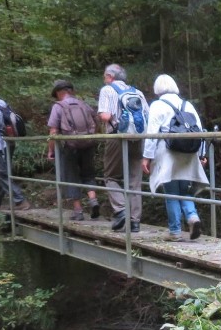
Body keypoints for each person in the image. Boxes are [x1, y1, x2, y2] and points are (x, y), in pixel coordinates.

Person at [141, 74, 208, 241]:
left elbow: (152, 133)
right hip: (188, 153)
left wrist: (146, 157)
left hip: (168, 152)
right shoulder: (187, 105)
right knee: (184, 189)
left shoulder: (157, 105)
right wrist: (202, 154)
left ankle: (175, 232)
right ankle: (192, 217)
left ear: (157, 88)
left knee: (171, 192)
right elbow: (200, 131)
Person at [97, 64, 148, 232]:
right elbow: (147, 115)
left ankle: (120, 209)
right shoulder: (137, 92)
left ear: (110, 76)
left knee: (111, 176)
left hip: (117, 137)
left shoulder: (107, 90)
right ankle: (135, 222)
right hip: (138, 138)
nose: (104, 79)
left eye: (105, 76)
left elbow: (105, 115)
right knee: (135, 181)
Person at [47, 80, 100, 221]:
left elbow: (53, 131)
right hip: (88, 144)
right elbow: (96, 121)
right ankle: (93, 200)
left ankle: (78, 211)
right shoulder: (84, 104)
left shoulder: (58, 106)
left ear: (59, 93)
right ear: (71, 91)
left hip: (70, 147)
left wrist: (51, 150)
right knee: (88, 174)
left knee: (71, 177)